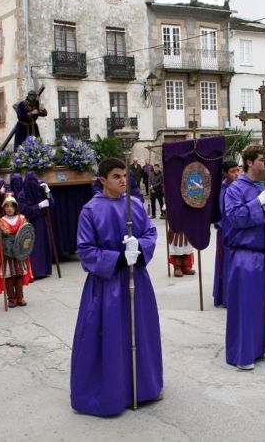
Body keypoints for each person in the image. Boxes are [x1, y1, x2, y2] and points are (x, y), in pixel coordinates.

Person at [71, 157, 162, 416]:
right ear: (103, 180)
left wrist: (140, 248)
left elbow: (151, 233)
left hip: (137, 280)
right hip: (107, 284)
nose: (123, 180)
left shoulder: (134, 204)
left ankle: (143, 387)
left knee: (139, 332)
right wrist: (119, 258)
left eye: (124, 175)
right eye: (116, 176)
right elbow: (86, 250)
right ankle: (111, 391)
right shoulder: (90, 210)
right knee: (110, 336)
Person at [224, 145, 265, 370]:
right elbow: (233, 218)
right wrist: (257, 204)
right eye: (262, 159)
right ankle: (245, 352)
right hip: (247, 256)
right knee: (248, 306)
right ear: (250, 162)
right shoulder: (235, 189)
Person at [0, 194, 33, 307]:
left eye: (11, 206)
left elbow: (28, 236)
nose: (9, 208)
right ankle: (11, 298)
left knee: (19, 275)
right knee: (8, 276)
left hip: (19, 254)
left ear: (15, 207)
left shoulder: (22, 219)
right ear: (3, 208)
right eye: (6, 206)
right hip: (6, 254)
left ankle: (20, 297)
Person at [17, 171, 55, 279]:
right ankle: (34, 271)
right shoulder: (22, 194)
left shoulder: (41, 190)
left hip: (42, 222)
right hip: (30, 223)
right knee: (34, 247)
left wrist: (48, 192)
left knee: (44, 245)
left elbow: (51, 204)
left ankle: (44, 270)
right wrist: (38, 206)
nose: (33, 184)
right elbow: (24, 210)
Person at [213, 159, 240, 307]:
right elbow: (225, 213)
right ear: (225, 173)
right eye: (232, 171)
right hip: (226, 231)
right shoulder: (224, 189)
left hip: (237, 231)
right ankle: (227, 297)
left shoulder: (238, 185)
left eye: (238, 170)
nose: (236, 174)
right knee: (227, 263)